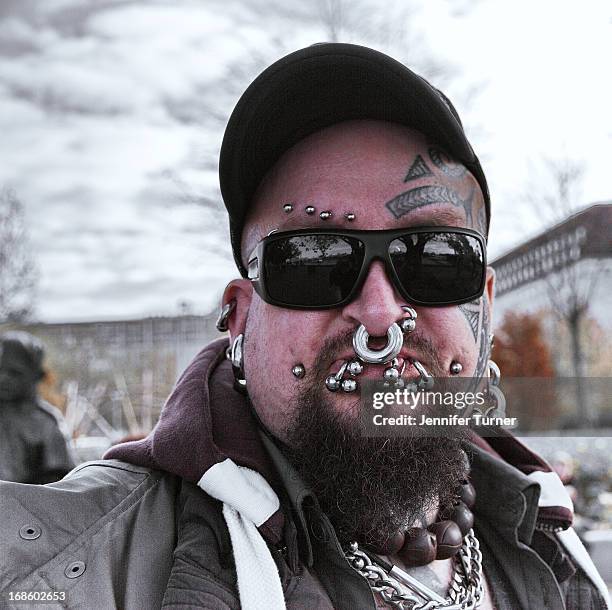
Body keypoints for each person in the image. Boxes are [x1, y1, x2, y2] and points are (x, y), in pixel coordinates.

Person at [0, 43, 608, 610]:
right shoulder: (74, 558)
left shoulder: (547, 535)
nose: (380, 315)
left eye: (437, 259)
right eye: (315, 261)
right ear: (239, 317)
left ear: (485, 305)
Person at [0, 331, 75, 485]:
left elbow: (60, 482)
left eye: (15, 373)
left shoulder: (45, 423)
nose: (3, 378)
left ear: (35, 375)